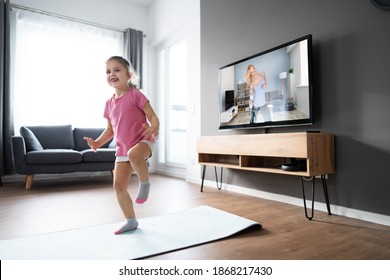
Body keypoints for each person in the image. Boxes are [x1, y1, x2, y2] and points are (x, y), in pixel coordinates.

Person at [84, 56, 159, 235]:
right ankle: (131, 221)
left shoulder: (136, 95)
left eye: (117, 70)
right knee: (118, 186)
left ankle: (145, 183)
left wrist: (155, 126)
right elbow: (110, 129)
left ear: (129, 74)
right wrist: (98, 143)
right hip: (122, 149)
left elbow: (152, 115)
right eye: (108, 71)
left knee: (134, 154)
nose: (112, 74)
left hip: (143, 141)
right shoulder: (108, 104)